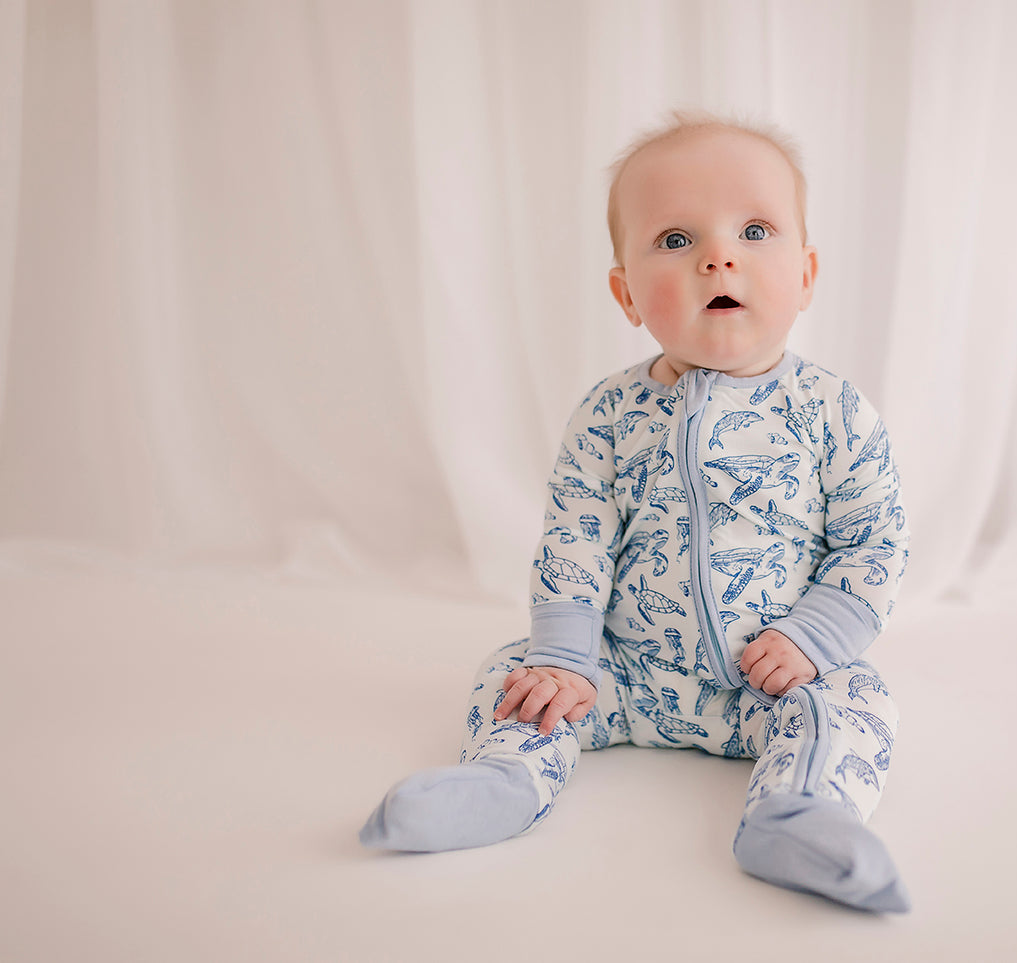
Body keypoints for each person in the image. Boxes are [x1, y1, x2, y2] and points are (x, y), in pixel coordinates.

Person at [360, 111, 912, 913]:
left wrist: (815, 637)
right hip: (623, 673)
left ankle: (799, 813)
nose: (719, 256)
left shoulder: (832, 411)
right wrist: (566, 656)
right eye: (676, 240)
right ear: (625, 293)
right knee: (513, 676)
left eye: (755, 230)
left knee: (857, 701)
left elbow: (874, 539)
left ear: (805, 274)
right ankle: (504, 780)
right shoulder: (609, 413)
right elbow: (575, 536)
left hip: (772, 676)